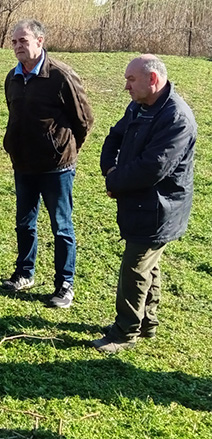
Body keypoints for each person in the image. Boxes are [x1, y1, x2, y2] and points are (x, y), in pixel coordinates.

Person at [92, 55, 195, 353]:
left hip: (160, 207)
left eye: (131, 79)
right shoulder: (140, 106)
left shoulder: (176, 118)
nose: (126, 86)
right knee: (149, 264)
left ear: (152, 79)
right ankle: (147, 321)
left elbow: (154, 167)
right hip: (137, 201)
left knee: (135, 267)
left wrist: (115, 183)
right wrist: (110, 171)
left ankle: (125, 332)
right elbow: (114, 136)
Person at [1, 19, 94, 308]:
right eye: (14, 41)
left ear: (40, 41)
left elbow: (84, 120)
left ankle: (65, 284)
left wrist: (63, 149)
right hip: (24, 165)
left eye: (23, 41)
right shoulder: (12, 78)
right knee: (24, 223)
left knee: (61, 226)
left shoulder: (61, 76)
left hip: (57, 168)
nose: (17, 46)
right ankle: (24, 273)